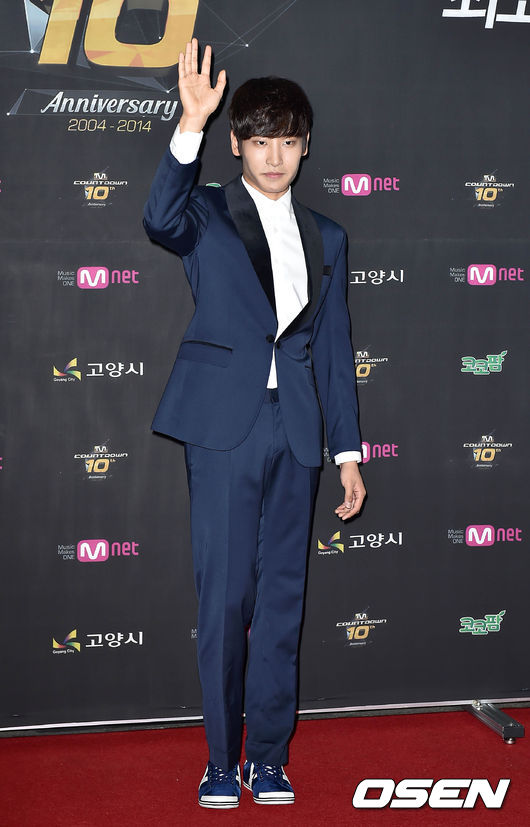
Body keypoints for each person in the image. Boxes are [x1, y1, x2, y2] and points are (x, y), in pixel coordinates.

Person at [143, 38, 366, 808]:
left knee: (281, 602)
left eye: (289, 141)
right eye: (261, 140)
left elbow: (333, 348)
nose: (275, 156)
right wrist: (190, 123)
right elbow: (157, 217)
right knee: (225, 598)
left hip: (297, 432)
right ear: (237, 143)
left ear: (305, 148)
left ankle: (266, 757)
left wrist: (347, 452)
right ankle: (218, 757)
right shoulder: (204, 211)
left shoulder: (329, 236)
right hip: (223, 429)